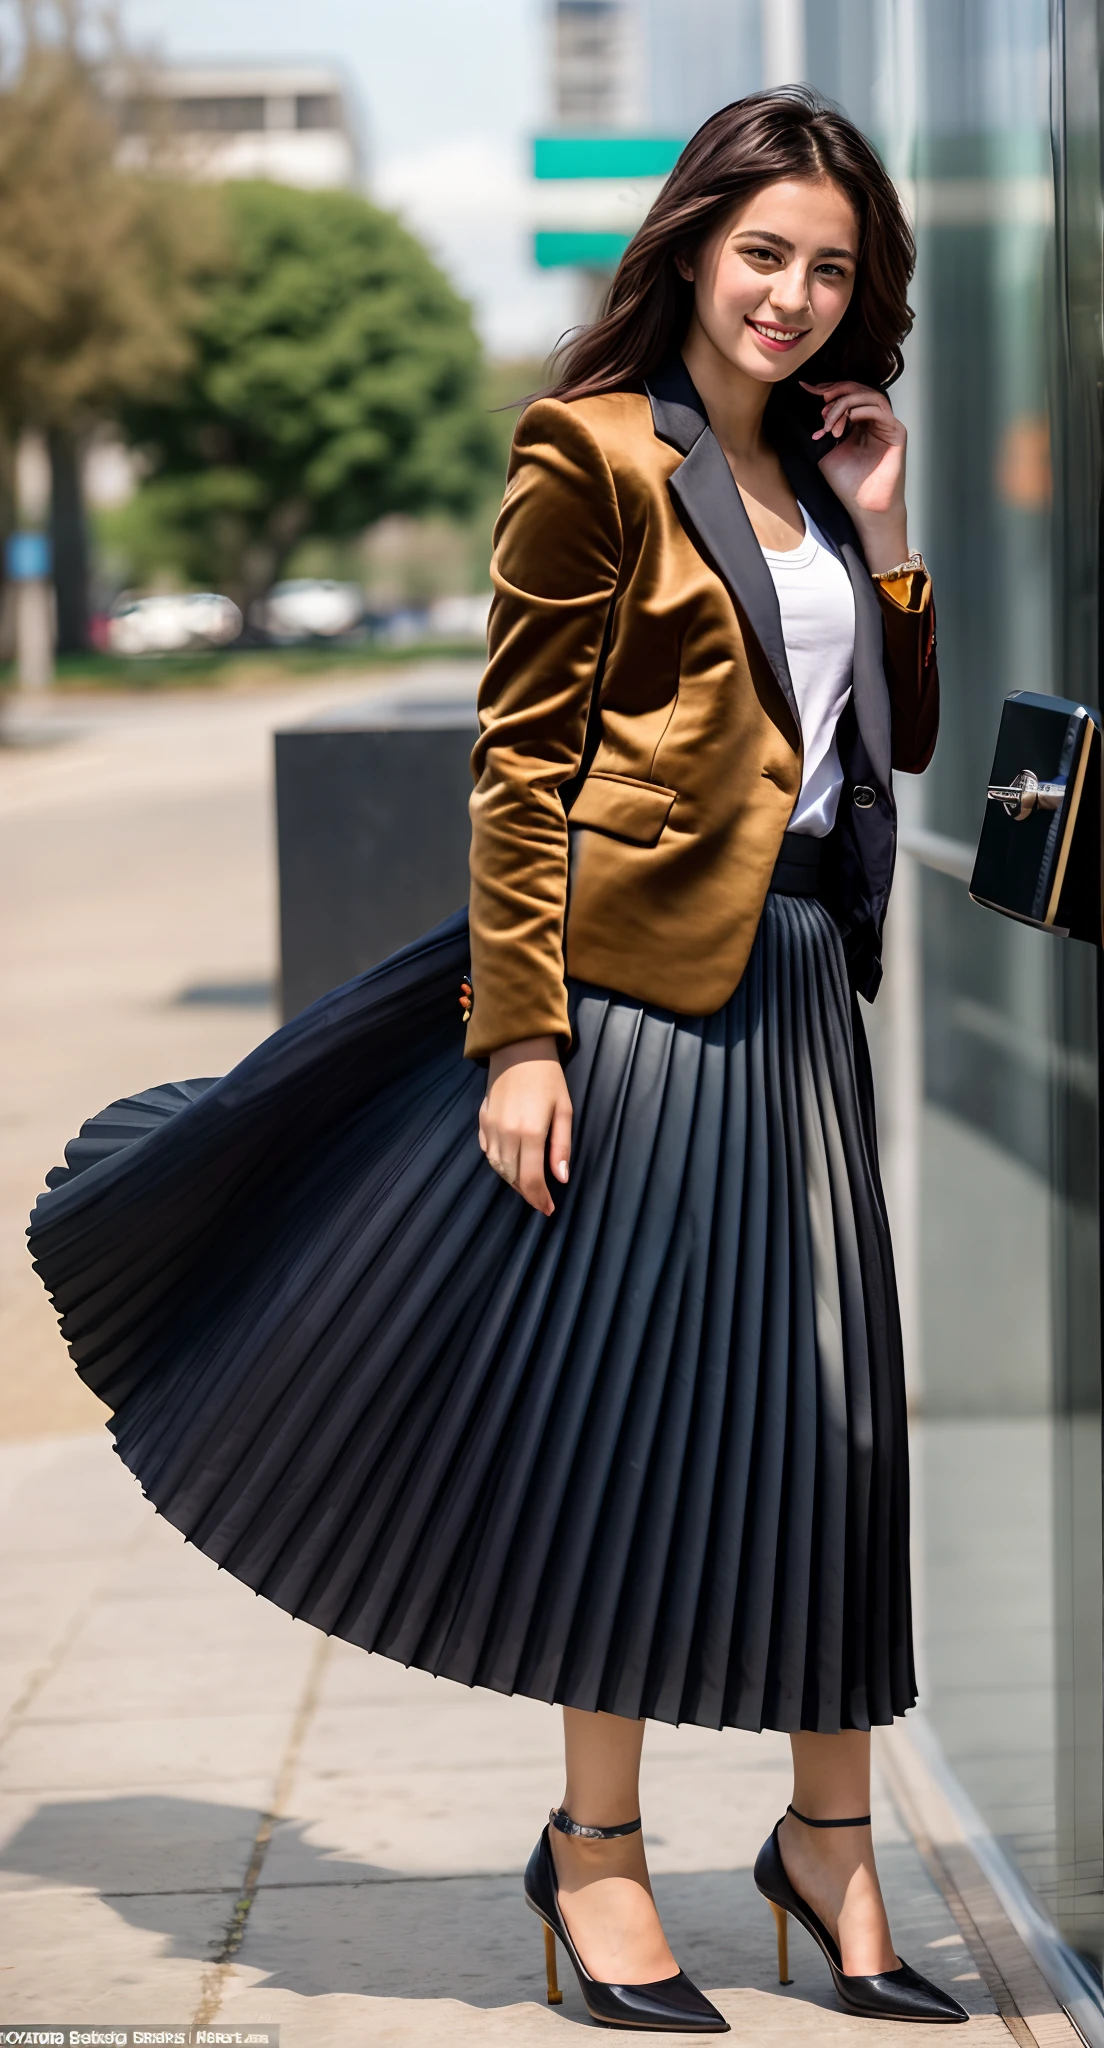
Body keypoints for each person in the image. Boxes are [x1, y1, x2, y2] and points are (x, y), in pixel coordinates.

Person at [29, 88, 966, 2034]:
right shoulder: (591, 453)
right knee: (624, 1427)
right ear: (695, 248)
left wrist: (883, 539)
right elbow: (520, 766)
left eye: (830, 267)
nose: (793, 295)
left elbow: (903, 744)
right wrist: (521, 1039)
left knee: (836, 1426)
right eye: (764, 252)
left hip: (799, 995)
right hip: (631, 1010)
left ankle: (826, 1839)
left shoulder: (820, 468)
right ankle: (601, 1861)